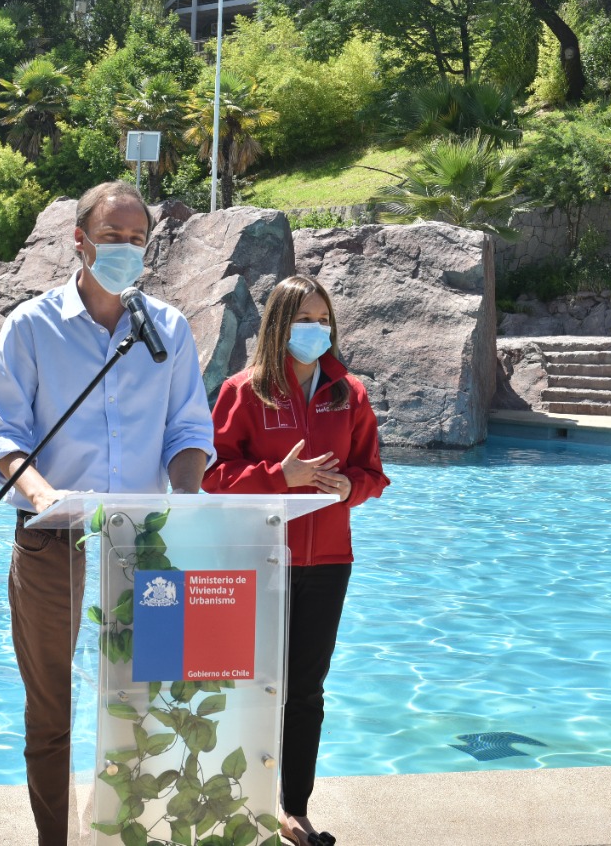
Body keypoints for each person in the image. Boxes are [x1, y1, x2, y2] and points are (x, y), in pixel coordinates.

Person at [0, 180, 215, 845]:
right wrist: (42, 494)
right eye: (112, 237)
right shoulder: (31, 326)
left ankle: (128, 831)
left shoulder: (166, 329)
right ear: (78, 241)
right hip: (52, 539)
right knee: (51, 707)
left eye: (137, 239)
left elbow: (188, 433)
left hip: (149, 546)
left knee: (148, 701)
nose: (126, 250)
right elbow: (4, 435)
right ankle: (54, 840)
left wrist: (189, 495)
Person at [201, 275, 389, 846]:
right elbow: (211, 477)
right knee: (247, 683)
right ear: (281, 325)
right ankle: (236, 796)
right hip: (259, 560)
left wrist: (344, 490)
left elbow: (374, 477)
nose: (316, 330)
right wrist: (277, 477)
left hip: (329, 561)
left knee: (306, 688)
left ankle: (295, 808)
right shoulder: (242, 391)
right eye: (305, 320)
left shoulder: (348, 393)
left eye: (323, 319)